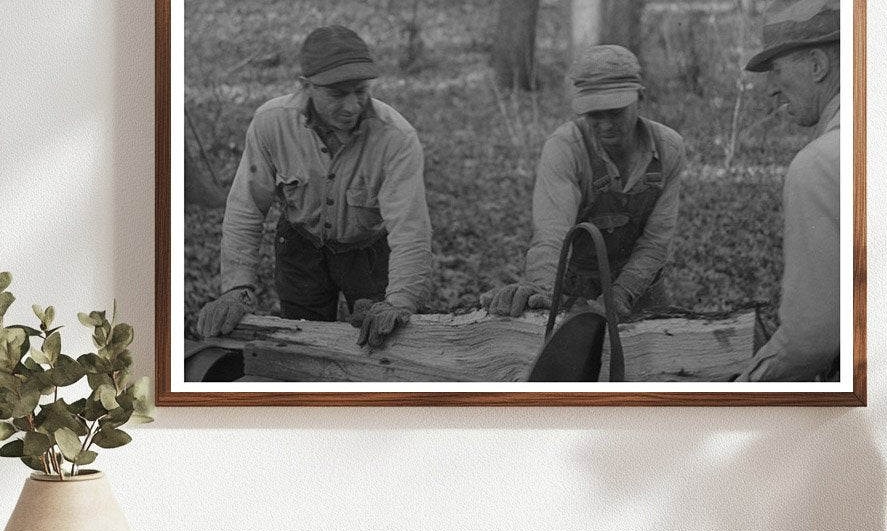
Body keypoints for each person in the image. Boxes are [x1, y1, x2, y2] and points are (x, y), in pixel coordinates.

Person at [196, 25, 432, 349]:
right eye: (337, 94)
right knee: (301, 342)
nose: (352, 106)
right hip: (300, 246)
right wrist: (237, 289)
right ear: (306, 86)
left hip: (369, 252)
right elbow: (246, 208)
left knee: (384, 344)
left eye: (361, 91)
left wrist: (400, 302)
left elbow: (411, 230)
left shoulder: (396, 139)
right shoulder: (271, 123)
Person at [483, 44, 684, 321]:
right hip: (574, 287)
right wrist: (542, 286)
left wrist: (623, 292)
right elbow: (552, 233)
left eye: (615, 112)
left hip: (641, 286)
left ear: (641, 98)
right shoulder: (566, 147)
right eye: (593, 115)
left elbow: (655, 240)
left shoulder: (668, 149)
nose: (604, 125)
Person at [734, 0, 841, 382]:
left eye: (777, 70)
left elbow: (809, 341)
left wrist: (743, 388)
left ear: (818, 65)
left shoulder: (819, 164)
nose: (771, 90)